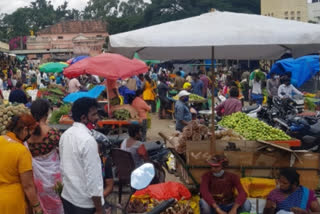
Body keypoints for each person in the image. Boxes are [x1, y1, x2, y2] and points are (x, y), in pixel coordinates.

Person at [59, 98, 105, 214]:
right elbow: (93, 179)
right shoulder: (88, 141)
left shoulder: (65, 135)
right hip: (85, 204)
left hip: (68, 198)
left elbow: (63, 168)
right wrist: (99, 209)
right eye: (94, 114)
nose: (97, 118)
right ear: (84, 118)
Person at [26, 99, 63, 214]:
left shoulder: (26, 133)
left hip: (35, 179)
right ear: (47, 114)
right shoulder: (53, 133)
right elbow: (63, 151)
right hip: (53, 179)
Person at [0, 114, 43, 214]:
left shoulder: (1, 139)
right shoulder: (21, 151)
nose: (31, 135)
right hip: (13, 201)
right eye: (31, 131)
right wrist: (36, 206)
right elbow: (28, 185)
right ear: (24, 130)